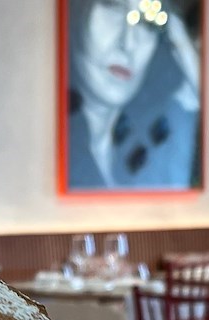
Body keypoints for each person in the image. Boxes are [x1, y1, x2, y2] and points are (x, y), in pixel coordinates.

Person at [67, 0, 201, 191]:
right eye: (112, 10)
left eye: (147, 24)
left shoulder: (152, 144)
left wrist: (180, 39)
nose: (128, 43)